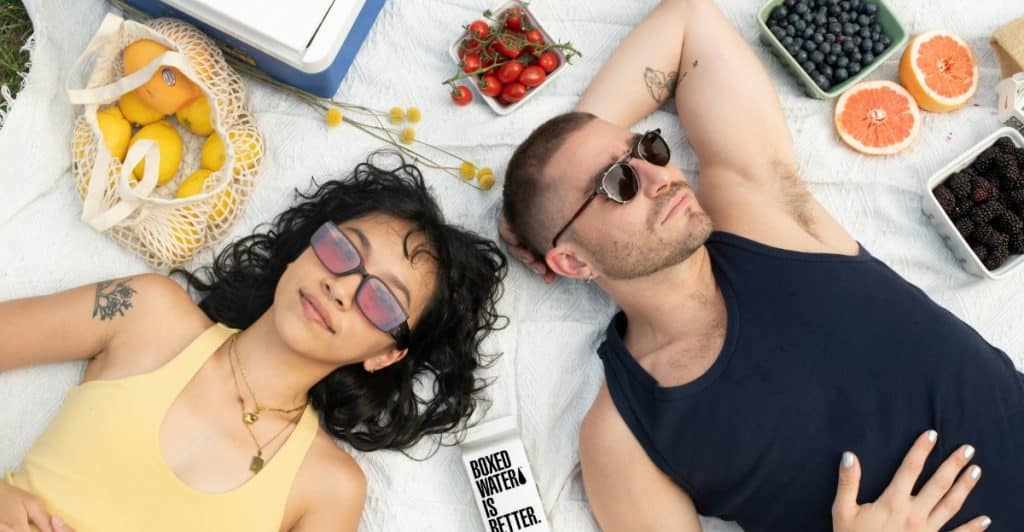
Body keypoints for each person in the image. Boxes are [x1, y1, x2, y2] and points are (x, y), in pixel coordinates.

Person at [500, 0, 1021, 530]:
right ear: (571, 260)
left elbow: (690, 24)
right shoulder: (623, 437)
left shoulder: (759, 214)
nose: (662, 177)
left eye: (648, 150)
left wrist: (566, 141)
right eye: (619, 183)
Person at [0, 158, 507, 532]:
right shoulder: (145, 313)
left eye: (381, 301)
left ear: (385, 355)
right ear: (303, 251)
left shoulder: (328, 490)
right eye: (342, 249)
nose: (342, 287)